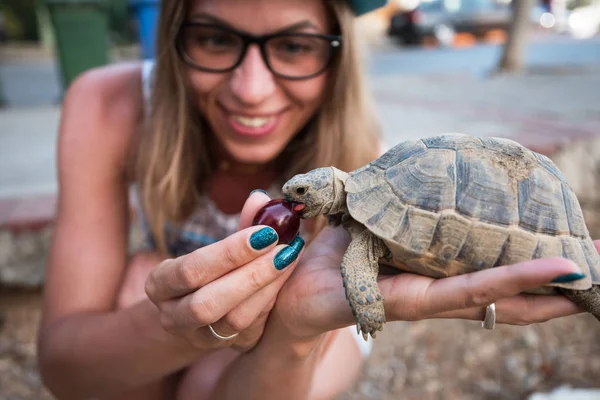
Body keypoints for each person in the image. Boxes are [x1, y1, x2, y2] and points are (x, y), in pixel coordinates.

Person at [37, 0, 593, 399]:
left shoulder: (369, 163)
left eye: (295, 45)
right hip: (136, 354)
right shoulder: (105, 105)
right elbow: (65, 369)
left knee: (232, 364)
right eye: (215, 37)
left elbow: (353, 271)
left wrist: (294, 333)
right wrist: (176, 328)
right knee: (141, 274)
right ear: (173, 31)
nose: (251, 88)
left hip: (267, 369)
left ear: (338, 50)